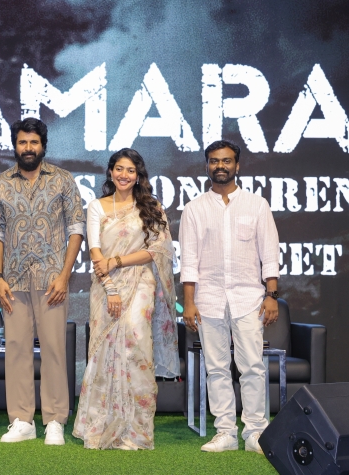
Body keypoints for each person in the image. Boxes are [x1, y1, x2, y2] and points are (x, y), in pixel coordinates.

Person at [0, 118, 85, 445]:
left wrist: (65, 274)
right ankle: (21, 420)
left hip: (52, 280)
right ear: (14, 145)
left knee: (55, 349)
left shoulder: (63, 180)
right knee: (16, 349)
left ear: (43, 145)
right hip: (12, 280)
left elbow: (76, 229)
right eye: (22, 143)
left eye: (34, 143)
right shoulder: (0, 184)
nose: (28, 148)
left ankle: (54, 421)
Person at [73, 149, 178, 450]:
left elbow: (157, 250)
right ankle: (101, 425)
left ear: (138, 175)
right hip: (105, 285)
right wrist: (110, 288)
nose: (123, 175)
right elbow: (95, 252)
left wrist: (118, 260)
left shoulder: (151, 207)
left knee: (135, 337)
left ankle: (136, 430)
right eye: (119, 169)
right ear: (110, 172)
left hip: (141, 280)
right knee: (104, 350)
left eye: (130, 170)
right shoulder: (97, 206)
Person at [180, 139, 280, 455]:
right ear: (207, 165)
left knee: (251, 365)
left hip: (249, 298)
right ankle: (225, 431)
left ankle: (256, 433)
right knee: (217, 368)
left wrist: (272, 294)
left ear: (237, 165)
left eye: (226, 161)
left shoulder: (257, 205)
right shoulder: (194, 208)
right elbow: (189, 260)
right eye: (213, 161)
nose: (219, 166)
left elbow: (269, 253)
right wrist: (190, 301)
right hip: (208, 299)